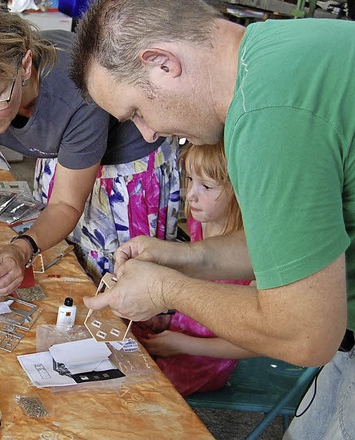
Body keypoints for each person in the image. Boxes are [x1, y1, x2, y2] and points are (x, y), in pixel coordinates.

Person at [70, 0, 355, 437]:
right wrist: (182, 258)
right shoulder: (273, 56)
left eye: (137, 113)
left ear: (163, 64)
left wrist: (167, 288)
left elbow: (305, 334)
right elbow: (294, 247)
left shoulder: (266, 118)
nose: (146, 134)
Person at [0, 0, 180, 295]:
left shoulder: (75, 92)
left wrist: (23, 248)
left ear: (24, 66)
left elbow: (65, 204)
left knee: (122, 280)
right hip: (63, 149)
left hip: (126, 167)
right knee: (67, 267)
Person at [133, 142, 255, 397]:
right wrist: (164, 313)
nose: (190, 195)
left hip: (206, 359)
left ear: (240, 190)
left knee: (140, 392)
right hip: (181, 331)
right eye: (189, 179)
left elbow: (254, 345)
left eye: (207, 186)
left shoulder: (254, 255)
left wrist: (183, 344)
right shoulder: (201, 222)